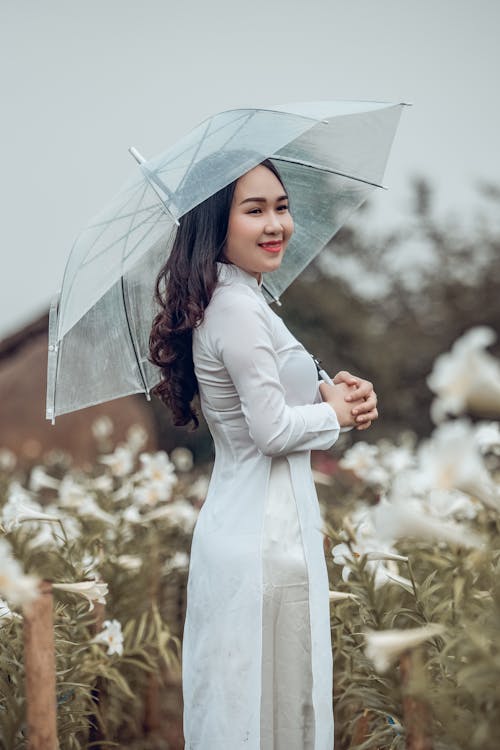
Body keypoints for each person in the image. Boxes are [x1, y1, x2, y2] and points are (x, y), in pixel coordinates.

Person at [149, 158, 378, 750]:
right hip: (264, 545)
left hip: (252, 529)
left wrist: (336, 396)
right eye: (254, 211)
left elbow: (279, 405)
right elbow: (273, 431)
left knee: (253, 711)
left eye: (281, 206)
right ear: (215, 227)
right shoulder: (238, 309)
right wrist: (336, 415)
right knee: (266, 718)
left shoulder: (237, 300)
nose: (276, 223)